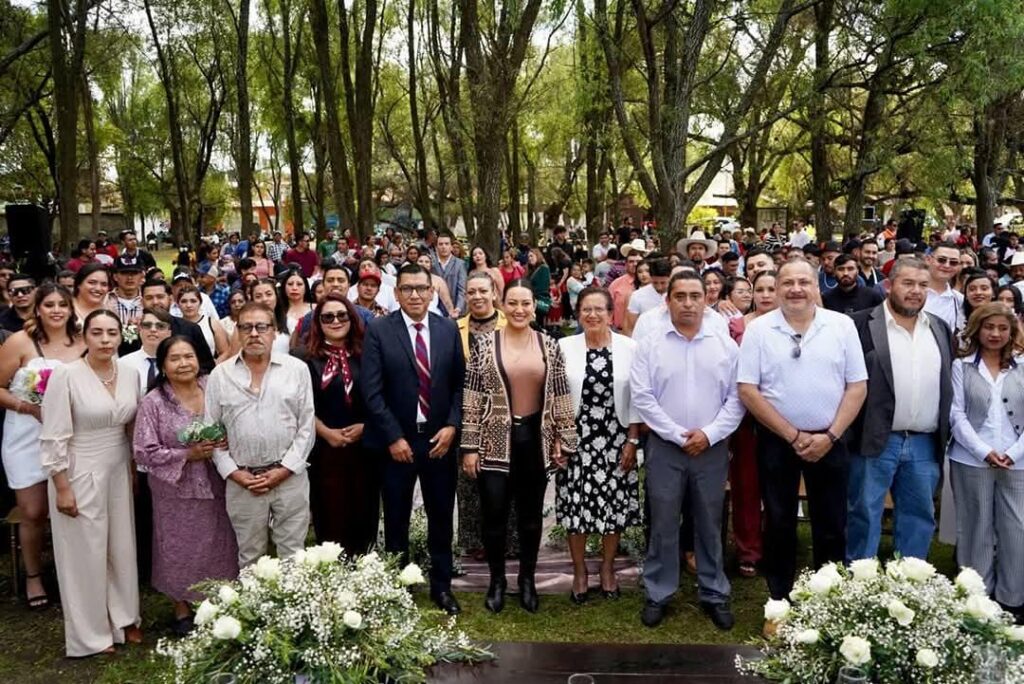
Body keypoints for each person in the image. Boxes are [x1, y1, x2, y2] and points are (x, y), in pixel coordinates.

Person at [737, 259, 868, 613]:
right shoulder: (759, 330)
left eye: (803, 282)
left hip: (831, 439)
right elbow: (748, 389)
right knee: (778, 521)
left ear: (816, 286)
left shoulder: (841, 326)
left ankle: (827, 600)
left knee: (832, 523)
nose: (796, 289)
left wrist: (831, 434)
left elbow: (857, 386)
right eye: (788, 282)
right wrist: (792, 435)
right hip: (777, 441)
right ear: (777, 288)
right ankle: (780, 598)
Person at [631, 271, 744, 630]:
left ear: (706, 299)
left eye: (695, 296)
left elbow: (737, 397)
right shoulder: (650, 343)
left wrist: (709, 435)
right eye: (680, 296)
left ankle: (714, 591)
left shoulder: (724, 343)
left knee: (709, 521)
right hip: (666, 447)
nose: (688, 303)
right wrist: (679, 436)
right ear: (668, 301)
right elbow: (643, 397)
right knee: (663, 521)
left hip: (710, 449)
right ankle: (658, 592)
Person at [461, 280, 576, 614]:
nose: (519, 310)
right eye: (513, 303)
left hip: (533, 442)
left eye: (526, 303)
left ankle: (527, 579)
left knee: (530, 517)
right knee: (494, 514)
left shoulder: (548, 345)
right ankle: (497, 580)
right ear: (502, 303)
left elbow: (560, 393)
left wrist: (564, 438)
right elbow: (471, 398)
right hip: (493, 440)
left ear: (534, 306)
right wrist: (469, 446)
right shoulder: (484, 344)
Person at [361, 263, 466, 615]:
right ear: (396, 293)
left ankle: (442, 587)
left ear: (432, 291)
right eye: (407, 289)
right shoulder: (378, 331)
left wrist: (452, 426)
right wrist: (393, 437)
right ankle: (399, 590)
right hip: (398, 445)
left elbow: (459, 386)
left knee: (440, 516)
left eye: (422, 288)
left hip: (439, 441)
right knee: (396, 520)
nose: (415, 295)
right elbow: (371, 392)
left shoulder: (448, 330)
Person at [40, 309, 142, 656]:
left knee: (121, 546)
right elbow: (53, 435)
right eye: (96, 333)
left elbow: (130, 428)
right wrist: (62, 485)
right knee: (85, 552)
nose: (105, 340)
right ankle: (90, 634)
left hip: (117, 467)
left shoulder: (129, 373)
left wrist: (131, 468)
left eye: (112, 333)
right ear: (84, 336)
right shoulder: (66, 376)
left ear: (121, 336)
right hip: (79, 468)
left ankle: (123, 618)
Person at [846, 258, 953, 562]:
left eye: (923, 285)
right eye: (908, 283)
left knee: (919, 517)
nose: (916, 291)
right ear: (889, 285)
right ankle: (858, 587)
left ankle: (909, 588)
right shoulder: (859, 325)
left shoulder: (939, 328)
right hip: (874, 440)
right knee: (864, 514)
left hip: (924, 442)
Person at [132, 336, 238, 636]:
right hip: (175, 490)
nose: (183, 364)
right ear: (163, 366)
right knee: (178, 548)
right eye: (174, 359)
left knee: (221, 544)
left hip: (219, 481)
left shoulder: (213, 386)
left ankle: (222, 601)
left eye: (188, 357)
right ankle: (181, 606)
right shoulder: (153, 402)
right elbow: (143, 450)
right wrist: (186, 454)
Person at [206, 302, 315, 568]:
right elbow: (213, 431)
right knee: (250, 556)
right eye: (246, 327)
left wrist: (285, 469)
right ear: (238, 332)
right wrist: (233, 473)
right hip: (243, 480)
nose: (254, 333)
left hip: (289, 478)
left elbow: (306, 426)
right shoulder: (220, 375)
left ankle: (294, 609)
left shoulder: (296, 370)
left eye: (261, 327)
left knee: (293, 554)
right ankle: (255, 609)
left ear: (274, 331)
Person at [0, 284, 84, 610]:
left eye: (62, 304)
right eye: (49, 304)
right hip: (25, 434)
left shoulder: (81, 341)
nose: (56, 310)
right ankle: (33, 574)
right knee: (33, 511)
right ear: (38, 308)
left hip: (71, 436)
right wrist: (30, 408)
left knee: (72, 506)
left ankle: (74, 572)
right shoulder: (20, 342)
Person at [557, 287, 641, 603]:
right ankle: (580, 571)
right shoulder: (563, 346)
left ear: (610, 314)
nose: (592, 315)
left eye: (599, 310)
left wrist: (633, 440)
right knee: (576, 506)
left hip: (617, 438)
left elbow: (637, 397)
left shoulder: (629, 347)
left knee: (613, 506)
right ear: (578, 313)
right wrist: (558, 439)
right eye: (586, 309)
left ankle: (607, 568)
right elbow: (556, 397)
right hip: (576, 439)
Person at [949, 302, 1024, 621]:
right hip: (971, 459)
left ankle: (1012, 599)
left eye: (1002, 328)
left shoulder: (1022, 366)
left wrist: (1014, 452)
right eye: (989, 327)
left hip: (1017, 461)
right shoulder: (962, 366)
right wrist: (983, 450)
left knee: (1016, 528)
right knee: (975, 527)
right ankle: (976, 600)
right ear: (977, 329)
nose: (995, 334)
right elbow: (956, 414)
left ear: (1012, 332)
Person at [296, 295, 378, 554]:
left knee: (364, 509)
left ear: (352, 319)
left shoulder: (369, 354)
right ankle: (333, 571)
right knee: (330, 511)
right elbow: (297, 405)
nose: (335, 321)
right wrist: (325, 432)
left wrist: (366, 426)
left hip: (365, 446)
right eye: (327, 316)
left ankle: (364, 568)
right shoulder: (303, 359)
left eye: (342, 315)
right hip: (323, 447)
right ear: (317, 322)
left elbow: (382, 396)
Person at [455, 272, 511, 556]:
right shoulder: (456, 328)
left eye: (482, 291)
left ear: (493, 294)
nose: (477, 297)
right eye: (471, 292)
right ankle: (475, 542)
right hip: (469, 413)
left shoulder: (509, 322)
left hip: (505, 414)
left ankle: (509, 542)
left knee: (506, 480)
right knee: (470, 480)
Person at [726, 270, 777, 578]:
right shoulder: (735, 327)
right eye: (760, 289)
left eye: (773, 288)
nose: (767, 294)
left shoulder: (792, 326)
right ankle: (748, 550)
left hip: (781, 417)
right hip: (745, 418)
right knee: (746, 486)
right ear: (751, 294)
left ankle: (776, 545)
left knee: (777, 486)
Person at [140, 279, 216, 374]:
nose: (155, 302)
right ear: (142, 302)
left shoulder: (190, 329)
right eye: (149, 298)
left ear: (170, 299)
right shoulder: (136, 329)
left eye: (160, 297)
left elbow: (207, 366)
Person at [176, 285, 230, 362]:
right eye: (184, 301)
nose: (188, 305)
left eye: (193, 301)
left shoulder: (212, 323)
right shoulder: (174, 325)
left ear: (200, 303)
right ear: (178, 304)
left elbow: (225, 351)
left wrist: (214, 366)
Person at [924, 241, 965, 337]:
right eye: (941, 260)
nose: (947, 265)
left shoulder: (959, 300)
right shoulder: (912, 293)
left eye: (953, 262)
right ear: (928, 260)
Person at [624, 258, 671, 336]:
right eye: (655, 283)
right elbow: (630, 328)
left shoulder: (677, 294)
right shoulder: (637, 296)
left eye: (663, 283)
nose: (659, 287)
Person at [248, 278, 293, 355]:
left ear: (276, 296)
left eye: (269, 294)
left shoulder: (290, 322)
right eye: (258, 296)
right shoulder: (245, 326)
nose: (264, 299)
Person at [433, 232, 467, 317]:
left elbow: (462, 290)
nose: (443, 247)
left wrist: (458, 308)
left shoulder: (460, 264)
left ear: (451, 247)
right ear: (436, 247)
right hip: (436, 310)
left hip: (455, 310)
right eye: (440, 244)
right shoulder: (432, 264)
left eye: (446, 244)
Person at [526, 248, 552, 327]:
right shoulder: (531, 270)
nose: (530, 258)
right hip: (532, 299)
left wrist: (530, 293)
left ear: (537, 256)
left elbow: (543, 287)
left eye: (532, 256)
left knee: (538, 324)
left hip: (539, 299)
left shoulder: (544, 268)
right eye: (528, 257)